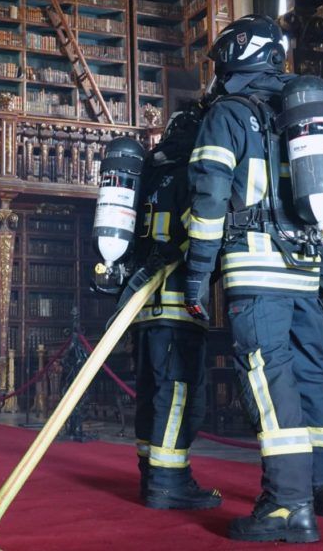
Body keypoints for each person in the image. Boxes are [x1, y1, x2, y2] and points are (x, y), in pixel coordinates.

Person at [183, 14, 323, 543]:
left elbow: (209, 202)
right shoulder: (307, 114)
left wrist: (196, 275)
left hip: (256, 271)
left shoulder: (228, 115)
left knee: (267, 378)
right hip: (305, 270)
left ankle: (286, 506)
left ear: (235, 56)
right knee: (312, 377)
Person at [124, 105, 222, 511]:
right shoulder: (192, 172)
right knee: (179, 393)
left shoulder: (147, 176)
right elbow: (200, 228)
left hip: (143, 309)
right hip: (178, 305)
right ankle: (169, 481)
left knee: (151, 391)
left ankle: (151, 473)